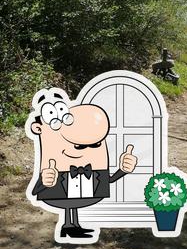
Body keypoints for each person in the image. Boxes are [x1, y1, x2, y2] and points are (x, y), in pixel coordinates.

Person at [28, 88, 138, 240]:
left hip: (84, 190)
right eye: (79, 146)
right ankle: (68, 226)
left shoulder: (94, 169)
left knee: (72, 204)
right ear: (38, 128)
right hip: (60, 188)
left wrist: (124, 169)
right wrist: (45, 182)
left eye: (95, 145)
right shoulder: (53, 166)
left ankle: (72, 226)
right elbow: (35, 191)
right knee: (68, 203)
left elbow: (109, 179)